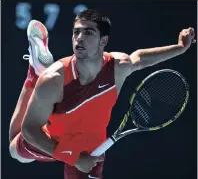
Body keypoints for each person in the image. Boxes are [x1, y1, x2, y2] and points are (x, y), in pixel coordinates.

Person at [9, 9, 196, 179]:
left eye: (88, 32)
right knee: (14, 150)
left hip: (92, 151)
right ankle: (34, 74)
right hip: (57, 143)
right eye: (76, 32)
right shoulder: (54, 80)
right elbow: (29, 130)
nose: (79, 38)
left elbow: (140, 59)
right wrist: (73, 158)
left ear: (103, 41)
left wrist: (180, 48)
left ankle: (35, 70)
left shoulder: (117, 67)